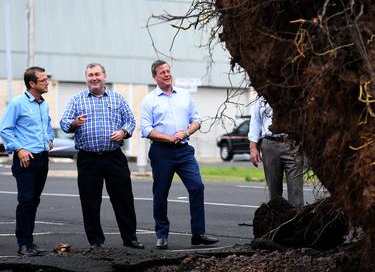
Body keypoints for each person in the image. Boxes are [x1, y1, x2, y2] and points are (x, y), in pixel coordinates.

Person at [59, 63, 144, 250]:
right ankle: (96, 241)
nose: (94, 78)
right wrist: (75, 123)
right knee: (90, 201)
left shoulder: (117, 98)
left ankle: (130, 238)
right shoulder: (77, 100)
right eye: (90, 75)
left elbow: (130, 120)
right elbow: (64, 124)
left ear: (104, 76)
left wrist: (123, 131)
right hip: (88, 159)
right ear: (86, 78)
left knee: (124, 199)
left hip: (114, 157)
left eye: (97, 74)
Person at [140, 60, 218, 249]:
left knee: (197, 187)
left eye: (168, 71)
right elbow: (146, 129)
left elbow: (196, 120)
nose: (167, 74)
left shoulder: (184, 95)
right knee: (160, 193)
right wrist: (168, 138)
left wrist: (185, 133)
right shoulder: (149, 100)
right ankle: (162, 234)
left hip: (184, 151)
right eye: (162, 72)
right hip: (161, 152)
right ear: (155, 77)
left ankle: (198, 234)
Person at [0, 67, 54, 256]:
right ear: (32, 84)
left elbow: (47, 123)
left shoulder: (43, 104)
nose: (47, 82)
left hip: (42, 159)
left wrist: (49, 139)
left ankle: (30, 243)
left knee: (34, 201)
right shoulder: (18, 103)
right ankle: (23, 244)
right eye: (43, 80)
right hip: (25, 160)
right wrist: (19, 149)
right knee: (26, 201)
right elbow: (5, 129)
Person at [248, 96, 304, 207]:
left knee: (296, 191)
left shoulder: (294, 91)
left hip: (291, 143)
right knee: (274, 193)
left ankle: (297, 221)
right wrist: (253, 147)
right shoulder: (262, 96)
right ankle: (276, 222)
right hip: (270, 145)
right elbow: (255, 120)